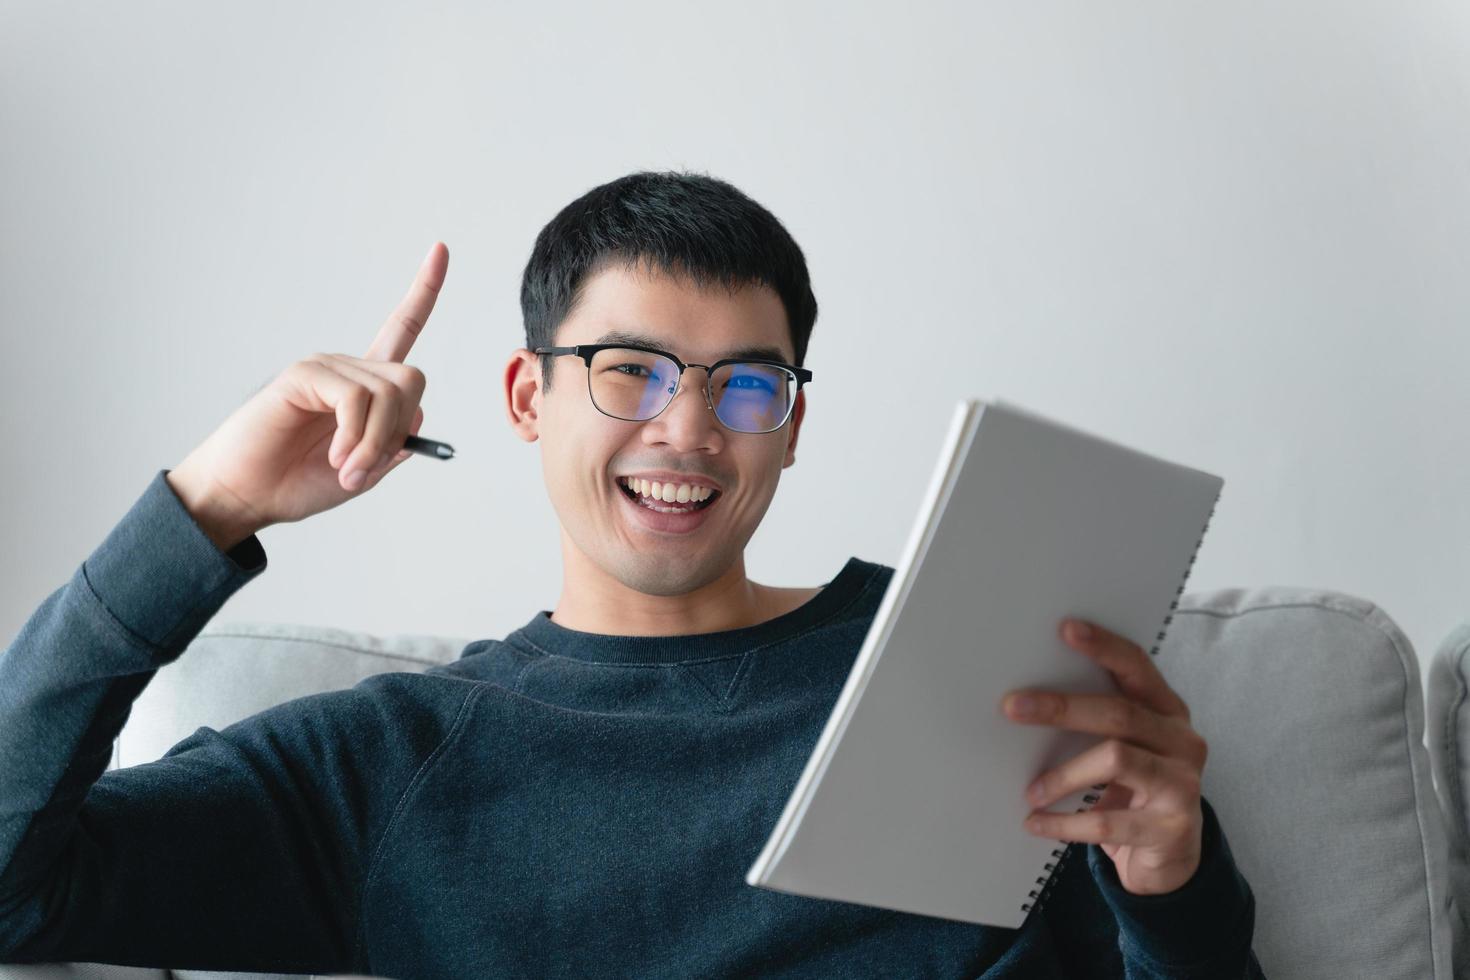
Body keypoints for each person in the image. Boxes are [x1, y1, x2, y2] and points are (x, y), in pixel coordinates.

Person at [0, 171, 1265, 978]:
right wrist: (200, 508)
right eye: (631, 370)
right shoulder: (386, 763)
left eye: (748, 384)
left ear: (793, 424)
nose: (689, 429)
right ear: (524, 398)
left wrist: (1175, 888)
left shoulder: (977, 653)